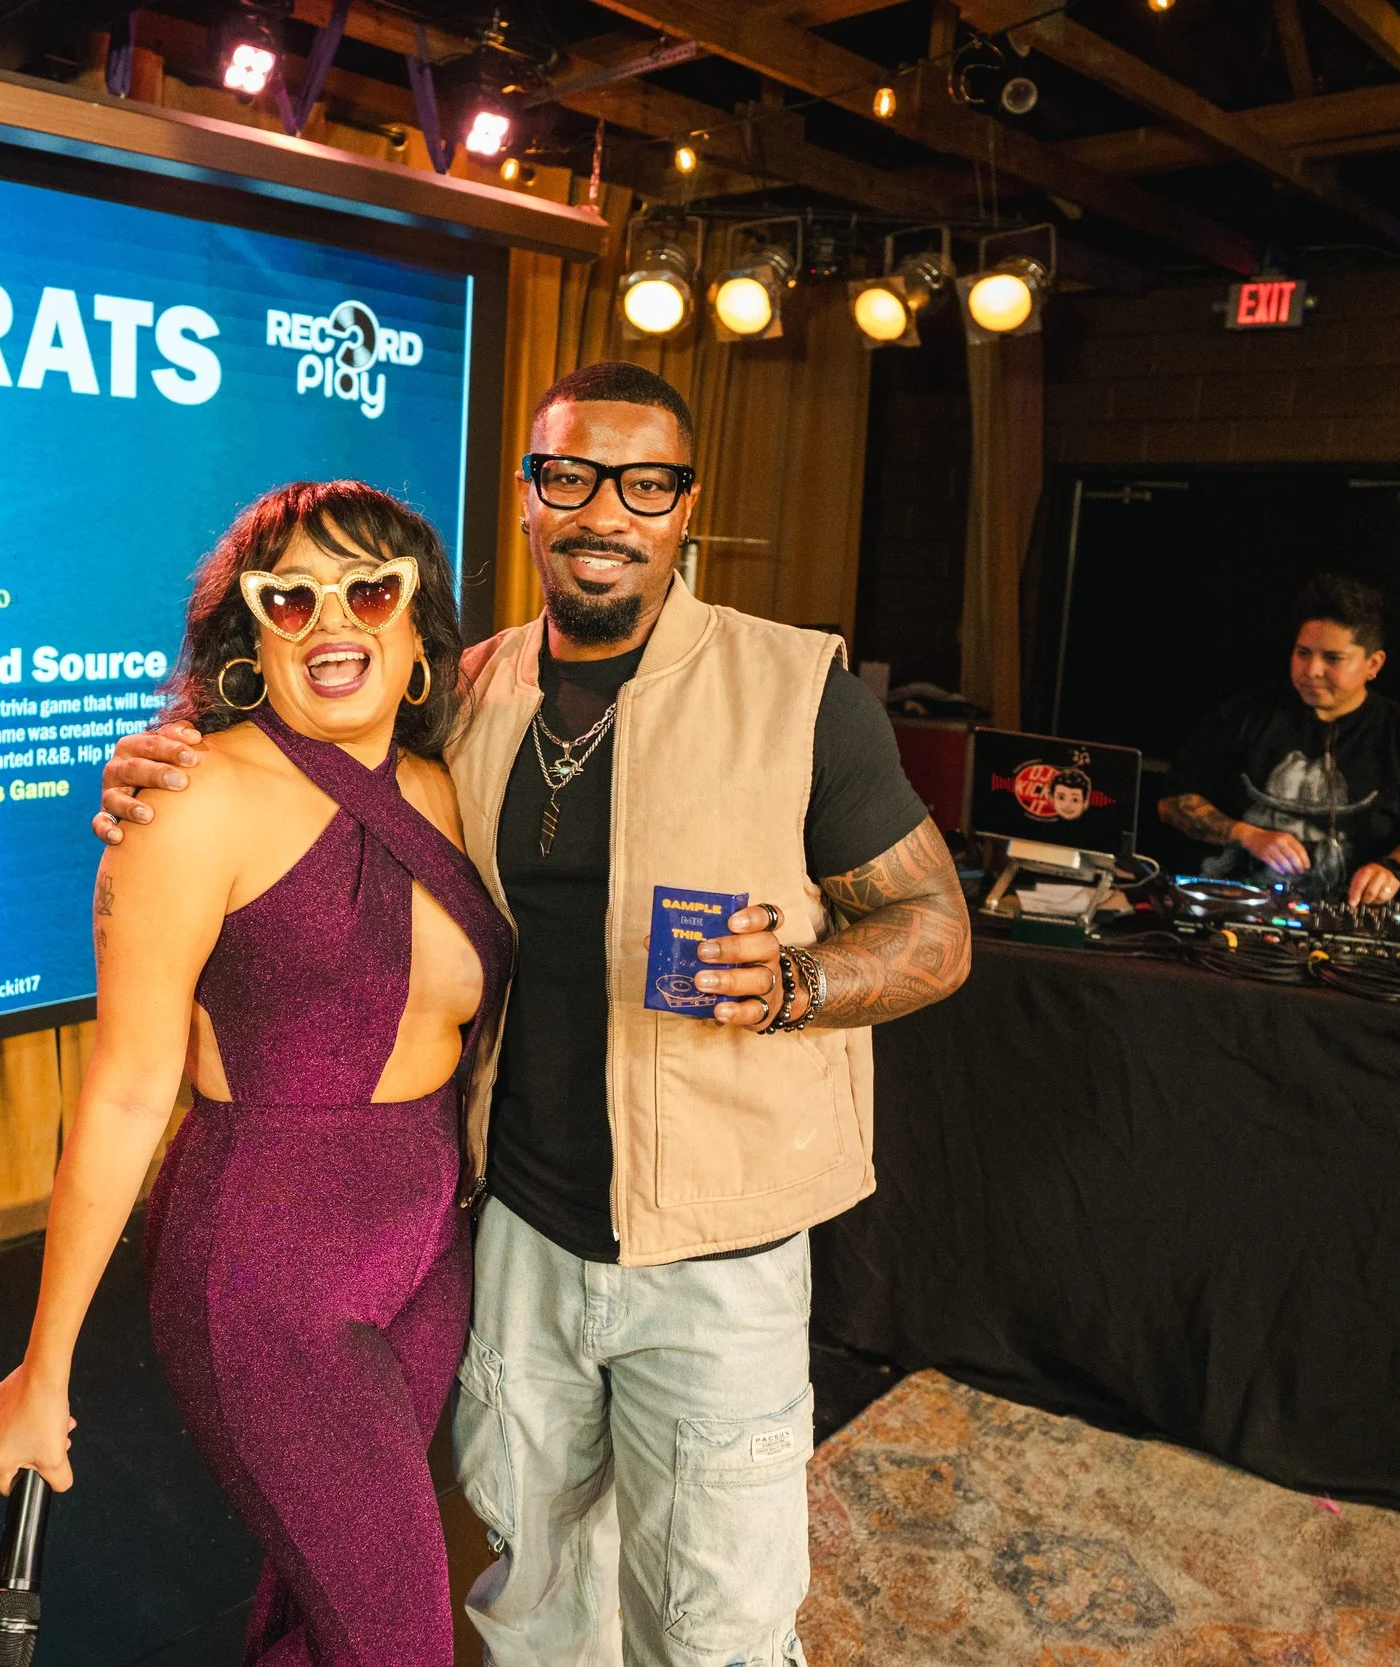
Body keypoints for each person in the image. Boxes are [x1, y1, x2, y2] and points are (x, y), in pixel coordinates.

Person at [99, 362, 971, 1666]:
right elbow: (302, 732)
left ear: (686, 507)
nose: (604, 509)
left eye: (645, 482)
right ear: (528, 498)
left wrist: (799, 981)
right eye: (568, 476)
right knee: (540, 1591)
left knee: (718, 1614)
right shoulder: (468, 688)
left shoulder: (795, 692)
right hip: (511, 1233)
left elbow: (937, 932)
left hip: (713, 1251)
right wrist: (155, 759)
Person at [0, 480, 511, 1667]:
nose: (335, 618)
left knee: (313, 1609)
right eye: (293, 596)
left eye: (369, 588)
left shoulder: (440, 783)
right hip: (264, 1271)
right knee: (399, 1640)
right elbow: (123, 1093)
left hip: (427, 1250)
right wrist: (43, 1364)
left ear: (417, 618)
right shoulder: (193, 798)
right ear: (251, 633)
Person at [1159, 572, 1400, 905]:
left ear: (1373, 663)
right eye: (1303, 653)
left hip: (1348, 912)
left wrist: (1393, 868)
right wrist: (1246, 834)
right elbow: (1172, 802)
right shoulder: (1241, 716)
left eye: (1332, 658)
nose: (1311, 670)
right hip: (1233, 902)